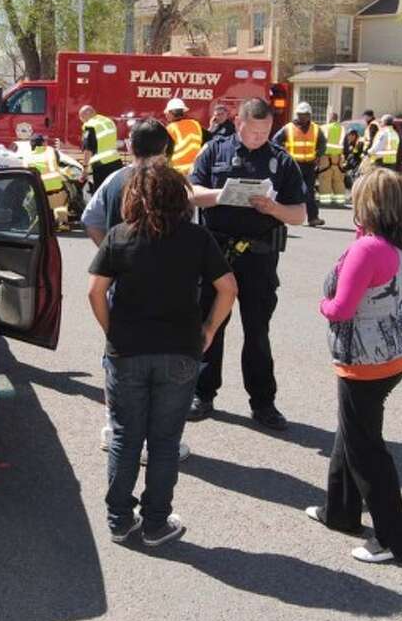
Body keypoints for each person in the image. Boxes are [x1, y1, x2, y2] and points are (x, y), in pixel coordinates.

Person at [89, 159, 237, 547]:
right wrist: (209, 329)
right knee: (164, 441)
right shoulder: (196, 239)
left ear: (133, 197)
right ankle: (156, 522)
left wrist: (111, 329)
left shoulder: (120, 236)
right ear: (179, 198)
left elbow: (95, 291)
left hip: (127, 352)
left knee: (125, 436)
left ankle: (119, 520)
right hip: (180, 351)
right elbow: (228, 288)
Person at [308, 168, 402, 564]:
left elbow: (340, 308)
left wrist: (320, 306)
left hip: (364, 362)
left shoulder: (367, 249)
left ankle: (394, 539)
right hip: (393, 357)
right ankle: (339, 512)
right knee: (350, 435)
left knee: (366, 451)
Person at [188, 98, 307, 429]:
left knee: (258, 332)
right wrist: (220, 195)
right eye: (253, 131)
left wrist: (274, 209)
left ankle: (263, 402)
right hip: (216, 255)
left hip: (259, 258)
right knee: (211, 325)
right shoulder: (214, 151)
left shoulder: (281, 161)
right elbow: (190, 193)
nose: (259, 137)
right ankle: (203, 393)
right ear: (238, 122)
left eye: (265, 131)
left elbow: (299, 214)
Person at [84, 119, 190, 463]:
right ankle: (158, 440)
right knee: (163, 363)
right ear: (165, 149)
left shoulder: (114, 180)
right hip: (169, 288)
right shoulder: (174, 185)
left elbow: (91, 219)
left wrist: (110, 255)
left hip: (123, 283)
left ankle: (115, 429)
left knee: (117, 357)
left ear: (130, 146)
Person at [273, 103, 327, 227]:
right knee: (288, 190)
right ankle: (281, 216)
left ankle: (313, 218)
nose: (303, 117)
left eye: (305, 115)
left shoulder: (316, 128)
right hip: (294, 165)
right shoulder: (288, 128)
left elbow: (322, 143)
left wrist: (319, 154)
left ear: (309, 115)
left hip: (309, 165)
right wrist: (284, 154)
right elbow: (275, 141)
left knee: (309, 192)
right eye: (300, 115)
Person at [25, 134, 70, 232]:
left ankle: (40, 224)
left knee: (38, 202)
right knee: (61, 201)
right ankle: (62, 223)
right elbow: (55, 164)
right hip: (54, 183)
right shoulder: (49, 150)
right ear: (43, 143)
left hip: (38, 185)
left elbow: (27, 171)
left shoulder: (27, 156)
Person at [80, 104, 123, 192]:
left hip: (102, 166)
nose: (83, 122)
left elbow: (88, 149)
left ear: (86, 115)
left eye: (82, 119)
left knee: (101, 195)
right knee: (115, 193)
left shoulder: (90, 125)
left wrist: (85, 169)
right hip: (116, 162)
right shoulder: (108, 121)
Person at [163, 98, 205, 177]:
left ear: (172, 113)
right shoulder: (195, 124)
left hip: (178, 171)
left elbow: (166, 152)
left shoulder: (171, 128)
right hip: (196, 168)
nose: (166, 115)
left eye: (167, 113)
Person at [318, 110, 347, 206]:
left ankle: (325, 201)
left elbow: (320, 143)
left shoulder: (324, 128)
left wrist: (317, 155)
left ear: (330, 118)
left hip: (326, 158)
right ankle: (340, 201)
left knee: (325, 179)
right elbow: (346, 145)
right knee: (338, 180)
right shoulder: (342, 129)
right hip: (338, 159)